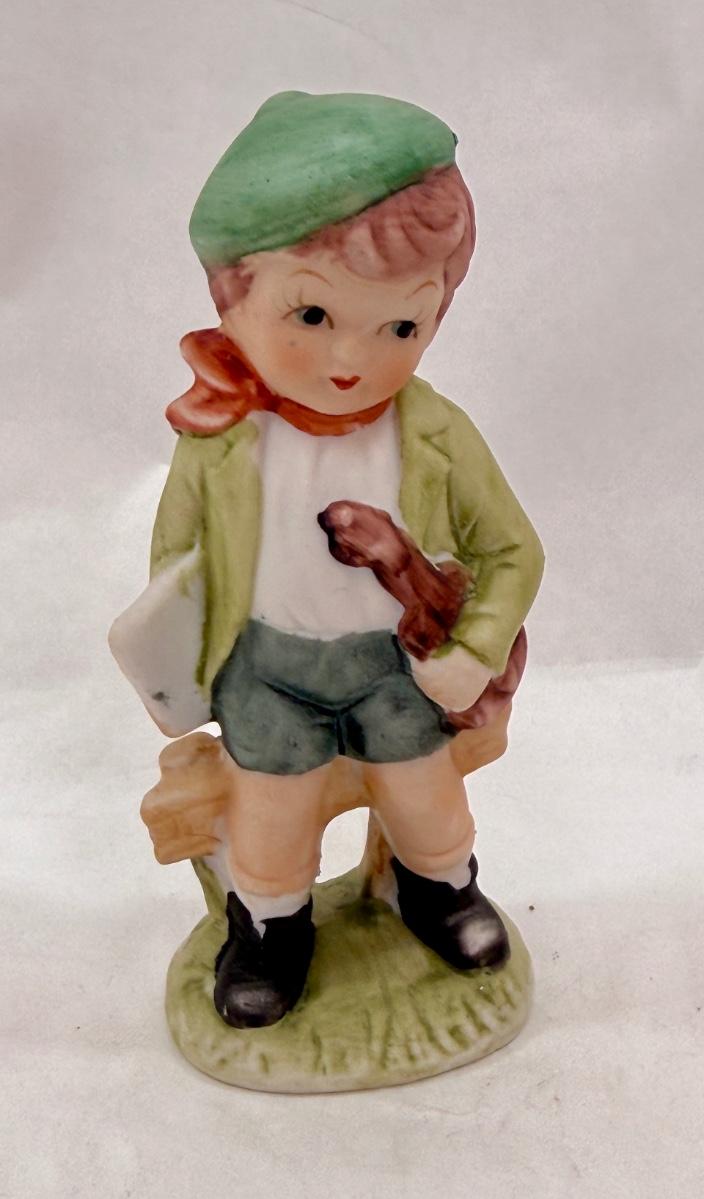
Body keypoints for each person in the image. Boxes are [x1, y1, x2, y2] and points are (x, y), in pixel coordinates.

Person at [119, 91, 544, 1029]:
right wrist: (169, 669)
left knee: (428, 804)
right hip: (268, 670)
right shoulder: (224, 440)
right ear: (232, 297)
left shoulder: (433, 431)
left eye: (402, 327)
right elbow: (175, 558)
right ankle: (270, 929)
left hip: (393, 664)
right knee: (271, 820)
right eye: (311, 314)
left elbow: (513, 548)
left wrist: (473, 650)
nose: (353, 358)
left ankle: (438, 890)